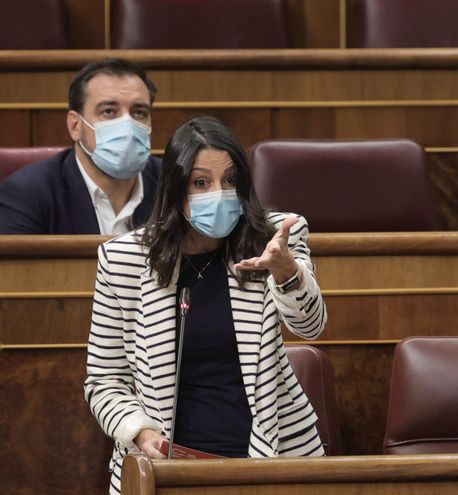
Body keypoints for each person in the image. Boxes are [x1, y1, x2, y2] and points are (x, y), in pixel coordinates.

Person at [84, 116, 327, 495]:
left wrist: (286, 271)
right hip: (166, 466)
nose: (220, 193)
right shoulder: (124, 260)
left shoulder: (275, 237)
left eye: (231, 181)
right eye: (201, 183)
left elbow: (310, 326)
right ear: (175, 189)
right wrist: (140, 431)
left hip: (275, 457)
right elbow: (104, 381)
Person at [0, 58, 161, 234]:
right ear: (75, 126)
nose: (127, 125)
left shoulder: (175, 183)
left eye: (139, 112)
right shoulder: (28, 194)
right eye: (108, 111)